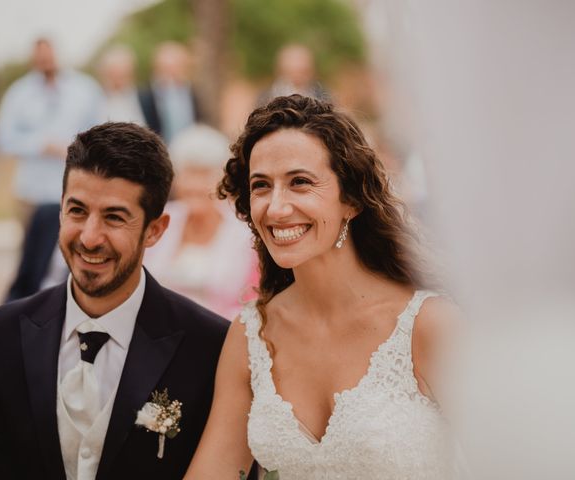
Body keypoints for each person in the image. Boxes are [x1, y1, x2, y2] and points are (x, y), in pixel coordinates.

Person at [185, 95, 456, 479]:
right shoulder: (251, 335)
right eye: (261, 186)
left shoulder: (430, 324)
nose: (276, 208)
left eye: (299, 183)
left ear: (351, 200)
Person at [0, 122, 229, 479]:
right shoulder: (3, 333)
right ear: (61, 210)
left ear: (155, 230)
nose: (90, 238)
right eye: (77, 210)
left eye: (113, 217)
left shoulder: (209, 344)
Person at [144, 124, 257, 319]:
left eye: (204, 174)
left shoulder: (244, 232)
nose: (195, 185)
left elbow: (250, 301)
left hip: (219, 333)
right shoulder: (161, 220)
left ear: (223, 181)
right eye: (189, 174)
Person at [0, 38, 103, 222]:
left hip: (77, 189)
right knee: (34, 249)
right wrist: (39, 145)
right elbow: (2, 138)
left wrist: (77, 148)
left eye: (49, 56)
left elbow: (101, 133)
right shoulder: (19, 93)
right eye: (40, 57)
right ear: (33, 59)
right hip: (32, 193)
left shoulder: (85, 89)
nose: (46, 61)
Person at [138, 42, 201, 143]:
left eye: (177, 66)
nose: (172, 72)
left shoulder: (192, 92)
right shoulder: (145, 95)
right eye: (166, 68)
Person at [257, 44, 329, 106]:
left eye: (303, 71)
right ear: (281, 70)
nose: (297, 76)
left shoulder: (323, 95)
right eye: (292, 71)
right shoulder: (266, 97)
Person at [97, 45, 147, 126]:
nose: (119, 77)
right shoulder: (97, 100)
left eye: (124, 73)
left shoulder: (144, 98)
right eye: (115, 72)